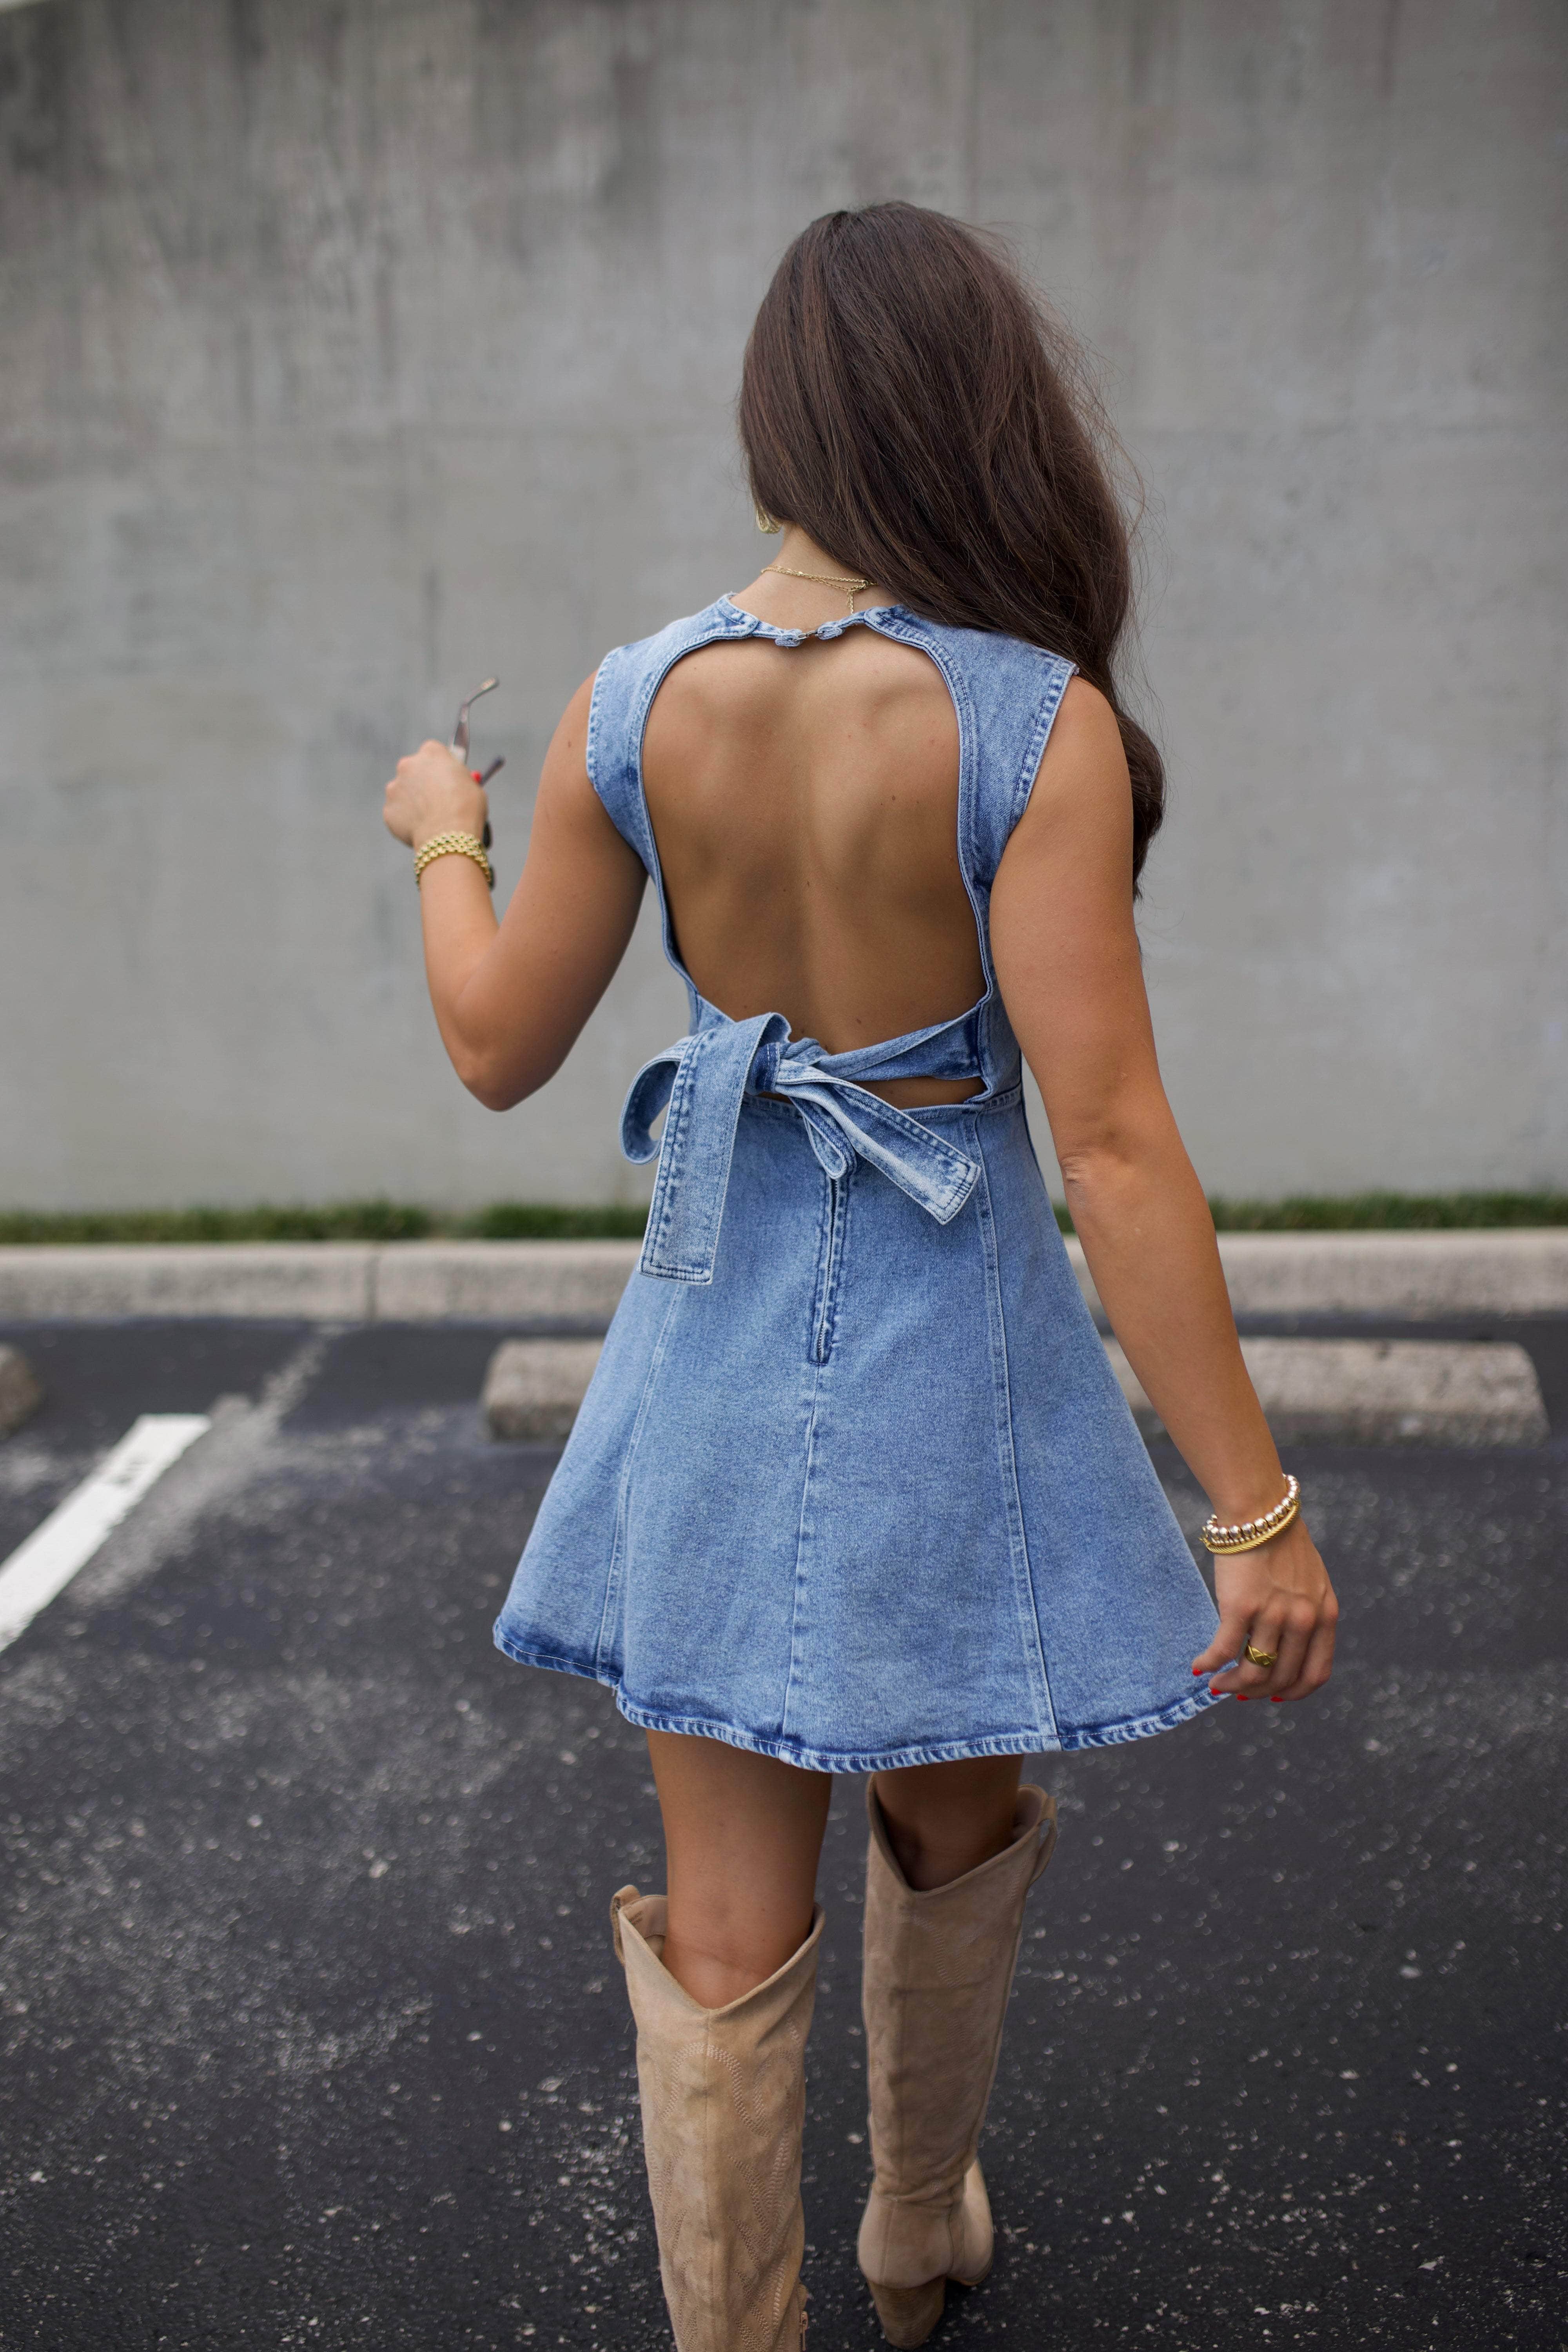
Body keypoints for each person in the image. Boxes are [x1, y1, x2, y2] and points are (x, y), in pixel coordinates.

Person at [382, 201, 1338, 2352]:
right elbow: (1111, 1145)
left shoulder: (632, 706)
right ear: (981, 416)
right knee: (956, 1812)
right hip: (952, 1356)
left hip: (714, 1332)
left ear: (776, 425)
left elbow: (496, 1045)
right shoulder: (1029, 721)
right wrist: (1251, 1508)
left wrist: (444, 828)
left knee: (726, 1919)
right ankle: (915, 2230)